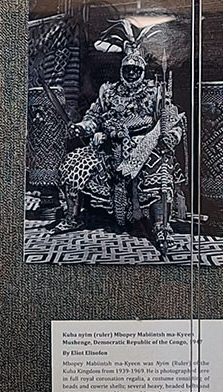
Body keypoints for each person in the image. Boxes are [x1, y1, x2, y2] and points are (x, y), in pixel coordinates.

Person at [56, 45, 187, 249]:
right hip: (108, 147)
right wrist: (82, 128)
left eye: (136, 69)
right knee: (74, 164)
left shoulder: (155, 92)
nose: (132, 73)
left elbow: (171, 120)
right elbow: (93, 118)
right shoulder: (108, 92)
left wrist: (171, 136)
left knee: (160, 174)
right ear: (122, 70)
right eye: (128, 69)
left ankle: (161, 227)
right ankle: (73, 218)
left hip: (143, 147)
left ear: (142, 71)